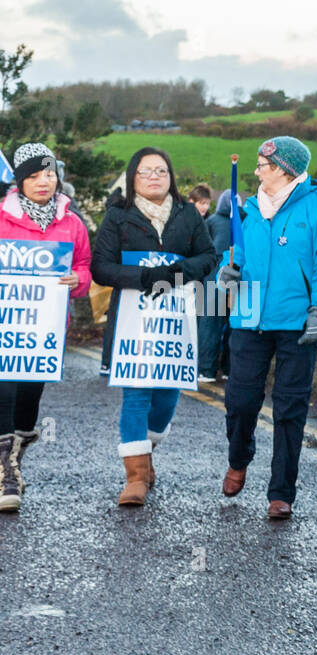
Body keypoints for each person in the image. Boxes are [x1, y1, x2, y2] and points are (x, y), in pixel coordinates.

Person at [217, 136, 317, 519]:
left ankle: (281, 492)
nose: (256, 171)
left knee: (289, 410)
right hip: (249, 315)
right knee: (240, 402)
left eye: (262, 165)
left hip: (297, 321)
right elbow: (235, 258)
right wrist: (226, 274)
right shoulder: (249, 209)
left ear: (284, 170)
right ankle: (239, 458)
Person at [92, 146, 217, 507]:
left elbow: (209, 257)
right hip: (132, 318)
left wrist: (177, 273)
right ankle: (135, 478)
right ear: (133, 178)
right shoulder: (118, 216)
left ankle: (146, 453)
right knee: (136, 392)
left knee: (166, 396)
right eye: (145, 171)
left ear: (171, 177)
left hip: (176, 320)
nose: (154, 177)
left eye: (161, 171)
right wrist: (144, 276)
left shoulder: (189, 215)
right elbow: (101, 267)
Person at [0, 143, 92, 512]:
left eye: (49, 174)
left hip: (45, 331)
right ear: (20, 181)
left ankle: (13, 458)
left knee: (28, 400)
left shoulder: (71, 222)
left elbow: (85, 266)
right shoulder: (2, 217)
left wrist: (78, 280)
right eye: (34, 175)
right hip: (6, 325)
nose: (43, 181)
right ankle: (6, 473)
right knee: (4, 392)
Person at [198, 188, 237, 382]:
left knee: (209, 323)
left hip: (214, 273)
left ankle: (207, 370)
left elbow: (203, 249)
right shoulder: (245, 222)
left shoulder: (211, 221)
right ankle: (230, 368)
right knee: (235, 324)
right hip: (239, 273)